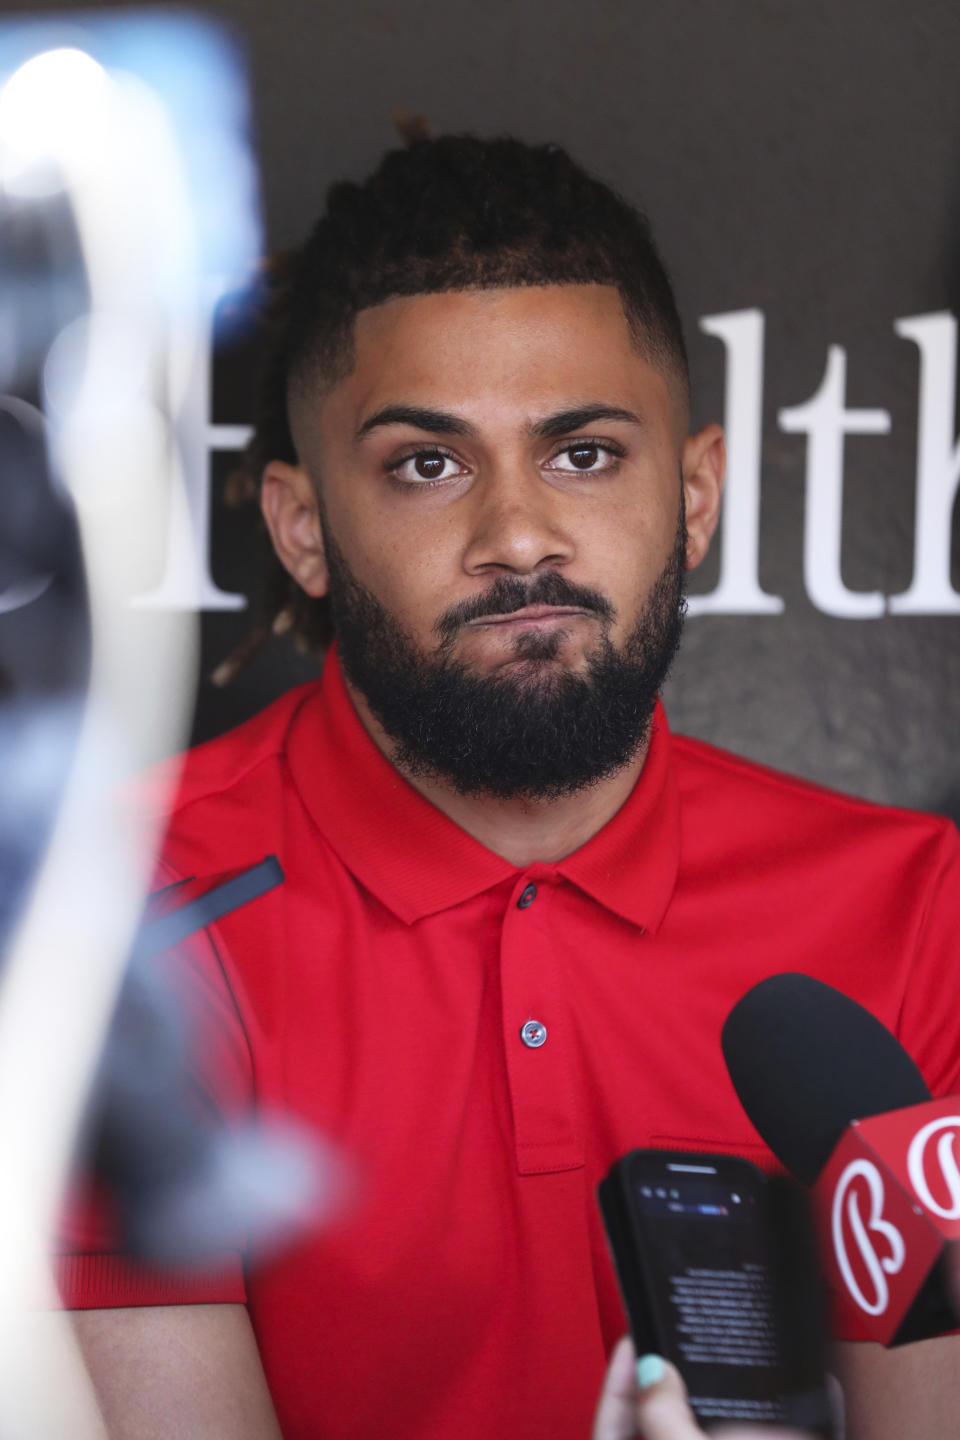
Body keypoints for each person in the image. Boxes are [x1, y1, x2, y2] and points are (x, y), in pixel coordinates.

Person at [59, 135, 960, 1439]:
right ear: (304, 530)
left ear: (696, 495)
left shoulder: (915, 909)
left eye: (584, 453)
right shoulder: (109, 921)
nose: (519, 535)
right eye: (429, 464)